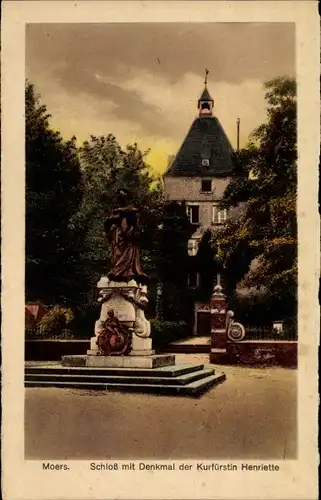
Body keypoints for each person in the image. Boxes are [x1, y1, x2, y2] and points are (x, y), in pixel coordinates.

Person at [104, 189, 148, 284]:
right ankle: (117, 272)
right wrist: (108, 232)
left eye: (123, 196)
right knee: (117, 254)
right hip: (118, 236)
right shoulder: (116, 212)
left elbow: (137, 223)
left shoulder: (131, 210)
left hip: (129, 238)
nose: (121, 198)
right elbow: (107, 222)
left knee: (128, 254)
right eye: (119, 197)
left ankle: (125, 272)